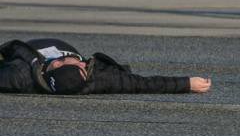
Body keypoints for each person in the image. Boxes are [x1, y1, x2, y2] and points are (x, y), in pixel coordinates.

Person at [0, 38, 210, 94]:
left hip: (35, 45)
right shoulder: (96, 80)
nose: (84, 63)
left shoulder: (18, 76)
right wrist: (186, 84)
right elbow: (140, 84)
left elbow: (12, 48)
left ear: (57, 63)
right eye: (83, 67)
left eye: (81, 66)